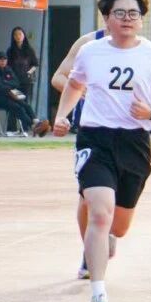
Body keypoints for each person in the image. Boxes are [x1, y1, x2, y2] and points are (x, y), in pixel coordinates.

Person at [52, 0, 151, 302]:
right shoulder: (90, 51)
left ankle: (107, 238)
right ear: (107, 17)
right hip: (95, 138)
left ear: (142, 18)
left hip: (134, 142)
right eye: (120, 13)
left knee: (118, 226)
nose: (127, 18)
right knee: (99, 213)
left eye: (133, 13)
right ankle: (98, 295)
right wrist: (63, 116)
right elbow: (73, 85)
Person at [51, 27, 107, 279]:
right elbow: (59, 77)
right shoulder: (87, 44)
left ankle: (106, 234)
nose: (124, 18)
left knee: (118, 206)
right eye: (115, 12)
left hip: (127, 134)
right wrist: (83, 89)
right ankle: (89, 252)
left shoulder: (140, 48)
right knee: (87, 196)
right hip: (91, 131)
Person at [0, 52, 50, 137]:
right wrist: (8, 85)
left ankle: (37, 122)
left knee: (26, 105)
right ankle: (33, 126)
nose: (3, 62)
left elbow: (16, 82)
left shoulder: (8, 69)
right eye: (0, 60)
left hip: (11, 95)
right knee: (18, 108)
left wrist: (5, 83)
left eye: (4, 60)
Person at [7, 27, 40, 99]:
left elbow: (35, 64)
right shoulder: (10, 51)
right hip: (14, 81)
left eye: (20, 34)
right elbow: (8, 66)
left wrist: (29, 72)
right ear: (13, 37)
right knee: (16, 100)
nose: (18, 36)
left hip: (26, 81)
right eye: (15, 35)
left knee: (25, 100)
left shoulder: (29, 50)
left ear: (24, 35)